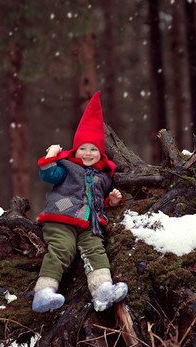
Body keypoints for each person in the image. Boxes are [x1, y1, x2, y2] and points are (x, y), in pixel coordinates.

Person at [32, 91, 128, 313]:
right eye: (83, 148)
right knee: (62, 248)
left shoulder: (103, 176)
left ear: (100, 152)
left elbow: (97, 200)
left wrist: (110, 202)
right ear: (75, 149)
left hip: (89, 223)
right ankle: (44, 292)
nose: (87, 153)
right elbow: (49, 176)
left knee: (95, 249)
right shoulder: (67, 167)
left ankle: (102, 290)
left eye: (93, 149)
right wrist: (50, 159)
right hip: (62, 218)